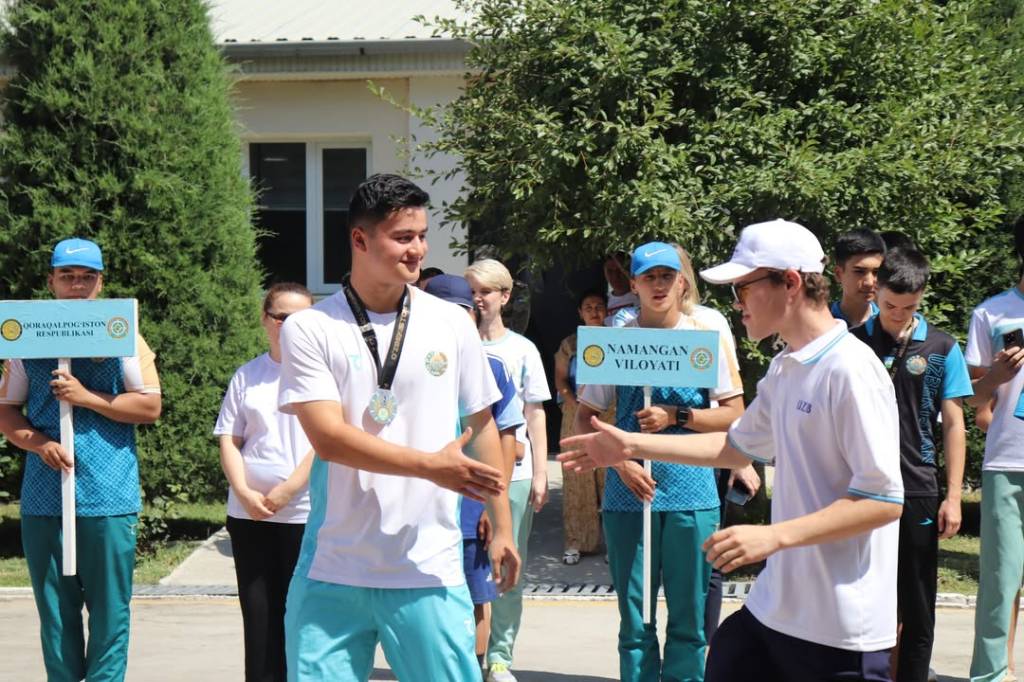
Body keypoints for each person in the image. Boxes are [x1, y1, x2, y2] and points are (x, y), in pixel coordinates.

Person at [561, 219, 904, 682]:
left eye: (742, 288)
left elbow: (882, 501)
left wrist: (773, 536)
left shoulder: (851, 370)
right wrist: (629, 445)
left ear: (791, 282)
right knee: (723, 655)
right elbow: (735, 446)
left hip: (839, 631)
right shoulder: (784, 367)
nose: (736, 304)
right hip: (773, 611)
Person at [277, 174, 520, 682]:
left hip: (427, 565)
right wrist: (430, 467)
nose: (418, 250)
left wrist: (502, 526)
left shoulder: (451, 323)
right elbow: (328, 438)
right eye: (403, 237)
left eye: (422, 236)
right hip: (334, 567)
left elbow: (481, 424)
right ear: (360, 239)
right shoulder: (310, 327)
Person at [574, 241, 746, 681]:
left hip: (693, 491)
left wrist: (677, 416)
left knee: (689, 621)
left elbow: (735, 415)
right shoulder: (614, 342)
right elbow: (584, 416)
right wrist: (619, 463)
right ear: (632, 284)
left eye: (666, 276)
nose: (658, 285)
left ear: (681, 282)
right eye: (648, 277)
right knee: (635, 622)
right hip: (628, 493)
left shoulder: (703, 340)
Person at [0, 237, 162, 682]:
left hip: (108, 493)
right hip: (44, 496)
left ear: (100, 282)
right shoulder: (26, 335)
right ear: (51, 280)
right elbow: (6, 410)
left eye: (87, 277)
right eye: (67, 276)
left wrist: (86, 397)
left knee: (110, 610)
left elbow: (150, 405)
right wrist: (38, 443)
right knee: (55, 611)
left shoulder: (123, 333)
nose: (77, 285)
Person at [851, 248, 972, 682]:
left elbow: (954, 424)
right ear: (875, 291)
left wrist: (953, 496)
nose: (899, 315)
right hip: (860, 488)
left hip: (918, 487)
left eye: (909, 307)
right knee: (862, 598)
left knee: (917, 604)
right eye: (890, 306)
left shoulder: (941, 346)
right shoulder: (852, 343)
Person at [424, 273, 525, 675]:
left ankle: (475, 668)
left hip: (470, 510)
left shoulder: (492, 368)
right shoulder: (409, 365)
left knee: (476, 598)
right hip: (421, 511)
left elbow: (508, 439)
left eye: (461, 313)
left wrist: (491, 505)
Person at [214, 282, 315, 682]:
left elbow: (326, 442)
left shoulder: (324, 374)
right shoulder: (248, 375)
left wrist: (289, 489)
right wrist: (243, 491)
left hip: (304, 513)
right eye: (281, 317)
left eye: (301, 319)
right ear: (265, 320)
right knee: (259, 617)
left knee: (303, 615)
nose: (290, 326)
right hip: (250, 515)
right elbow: (229, 439)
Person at [465, 258, 550, 682]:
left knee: (506, 564)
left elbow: (534, 412)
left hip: (513, 476)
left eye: (485, 291)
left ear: (505, 296)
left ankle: (499, 657)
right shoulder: (454, 346)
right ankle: (463, 653)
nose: (478, 300)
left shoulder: (522, 350)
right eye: (472, 292)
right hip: (460, 476)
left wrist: (541, 472)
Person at [966, 218, 1024, 682]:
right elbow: (972, 397)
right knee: (1001, 582)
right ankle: (989, 676)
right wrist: (996, 378)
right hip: (1008, 461)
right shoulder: (992, 313)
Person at [554, 288, 610, 565]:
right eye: (588, 307)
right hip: (576, 411)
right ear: (580, 313)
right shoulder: (570, 344)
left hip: (610, 413)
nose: (594, 311)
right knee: (578, 476)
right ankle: (577, 542)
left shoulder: (617, 340)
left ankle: (615, 543)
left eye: (599, 306)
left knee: (612, 475)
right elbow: (560, 379)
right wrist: (573, 402)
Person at [831, 229, 886, 328]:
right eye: (859, 272)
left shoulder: (891, 326)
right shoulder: (819, 324)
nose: (869, 282)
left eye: (876, 272)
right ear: (838, 274)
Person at [603, 252, 639, 326]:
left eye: (620, 271)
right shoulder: (603, 301)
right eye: (610, 271)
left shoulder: (642, 297)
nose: (615, 276)